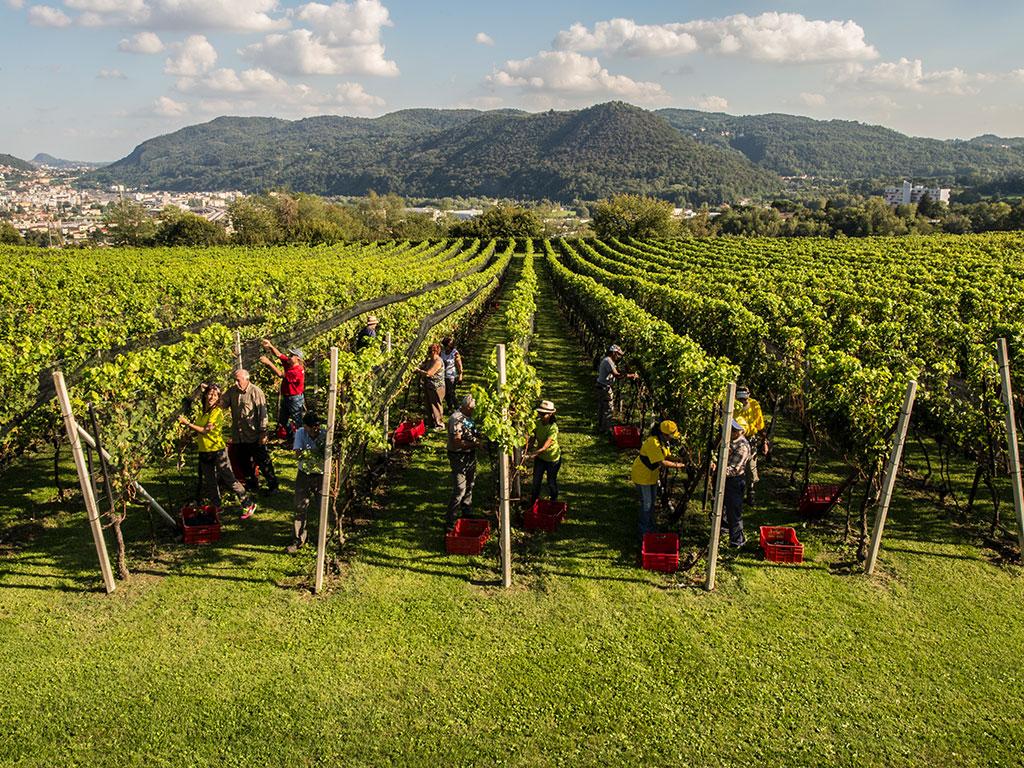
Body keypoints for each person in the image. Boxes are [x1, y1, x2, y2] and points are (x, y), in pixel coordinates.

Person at [178, 383, 257, 519]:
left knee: (229, 479)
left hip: (217, 451)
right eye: (210, 394)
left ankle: (248, 503)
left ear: (219, 398)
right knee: (210, 482)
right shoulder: (203, 412)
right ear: (205, 395)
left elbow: (205, 430)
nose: (212, 397)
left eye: (215, 395)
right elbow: (199, 429)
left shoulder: (217, 412)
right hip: (204, 450)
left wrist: (187, 424)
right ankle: (217, 506)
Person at [220, 368, 279, 495]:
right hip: (239, 435)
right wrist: (213, 394)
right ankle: (252, 484)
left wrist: (263, 432)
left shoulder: (255, 392)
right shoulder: (232, 391)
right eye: (234, 380)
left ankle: (273, 485)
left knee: (263, 460)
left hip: (253, 434)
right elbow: (222, 404)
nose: (235, 383)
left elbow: (262, 413)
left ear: (246, 379)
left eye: (238, 380)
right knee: (244, 461)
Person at [630, 420, 686, 541]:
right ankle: (643, 531)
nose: (673, 438)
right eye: (671, 435)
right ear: (664, 434)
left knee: (651, 503)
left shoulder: (664, 442)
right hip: (642, 475)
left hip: (651, 476)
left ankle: (650, 526)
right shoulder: (653, 443)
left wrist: (678, 459)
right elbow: (662, 462)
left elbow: (666, 455)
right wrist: (679, 465)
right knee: (646, 504)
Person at [711, 420, 754, 548]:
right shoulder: (728, 440)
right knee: (721, 506)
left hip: (734, 481)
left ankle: (737, 541)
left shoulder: (742, 447)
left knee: (734, 510)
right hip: (724, 478)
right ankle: (724, 530)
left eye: (734, 430)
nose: (731, 431)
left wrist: (716, 469)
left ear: (741, 431)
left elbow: (733, 469)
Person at [288, 411, 326, 554]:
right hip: (304, 472)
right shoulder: (300, 433)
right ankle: (298, 539)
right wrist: (312, 453)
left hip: (321, 474)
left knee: (323, 505)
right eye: (311, 427)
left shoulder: (325, 433)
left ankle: (324, 537)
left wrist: (311, 453)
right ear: (305, 426)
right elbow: (298, 453)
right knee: (300, 505)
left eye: (317, 426)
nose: (315, 430)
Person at [446, 394, 480, 531]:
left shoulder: (469, 417)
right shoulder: (456, 419)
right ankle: (450, 521)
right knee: (460, 489)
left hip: (469, 455)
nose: (473, 411)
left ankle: (466, 511)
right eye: (472, 409)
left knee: (470, 484)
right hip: (458, 456)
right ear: (466, 407)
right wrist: (475, 444)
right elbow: (457, 443)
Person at [259, 339, 305, 437]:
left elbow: (280, 374)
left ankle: (301, 440)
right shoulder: (290, 363)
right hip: (288, 397)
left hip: (295, 399)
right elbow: (279, 355)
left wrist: (268, 362)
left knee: (297, 420)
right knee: (283, 420)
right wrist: (270, 346)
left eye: (292, 355)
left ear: (298, 358)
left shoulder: (297, 370)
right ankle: (290, 436)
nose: (289, 356)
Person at [734, 386, 768, 504]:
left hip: (750, 439)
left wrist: (764, 442)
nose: (742, 401)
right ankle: (735, 491)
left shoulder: (754, 405)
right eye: (740, 399)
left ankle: (750, 492)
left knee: (750, 466)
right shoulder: (732, 405)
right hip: (735, 439)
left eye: (744, 399)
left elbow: (760, 426)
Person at [595, 344, 638, 433]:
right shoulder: (608, 361)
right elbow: (617, 375)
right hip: (604, 388)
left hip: (601, 387)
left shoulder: (608, 360)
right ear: (614, 353)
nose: (619, 357)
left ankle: (600, 428)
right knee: (608, 409)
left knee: (602, 408)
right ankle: (605, 430)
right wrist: (631, 375)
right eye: (618, 354)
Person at [526, 400, 561, 504]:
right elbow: (532, 439)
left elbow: (545, 446)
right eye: (540, 413)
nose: (540, 416)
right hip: (540, 458)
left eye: (543, 414)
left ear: (550, 414)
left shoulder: (553, 428)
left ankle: (553, 501)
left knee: (551, 482)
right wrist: (527, 449)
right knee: (536, 481)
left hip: (552, 459)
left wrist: (533, 454)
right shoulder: (537, 423)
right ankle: (533, 502)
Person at [417, 342, 446, 430]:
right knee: (429, 405)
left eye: (430, 351)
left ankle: (440, 424)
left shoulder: (438, 361)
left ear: (435, 351)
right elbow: (423, 366)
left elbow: (429, 373)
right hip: (429, 386)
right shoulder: (430, 361)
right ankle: (431, 423)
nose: (428, 353)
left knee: (436, 406)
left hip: (437, 387)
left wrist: (418, 370)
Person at [440, 336, 463, 413]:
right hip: (443, 375)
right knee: (446, 393)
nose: (451, 345)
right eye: (449, 344)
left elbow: (459, 365)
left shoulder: (455, 353)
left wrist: (460, 375)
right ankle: (450, 407)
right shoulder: (442, 353)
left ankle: (457, 407)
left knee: (451, 392)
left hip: (451, 375)